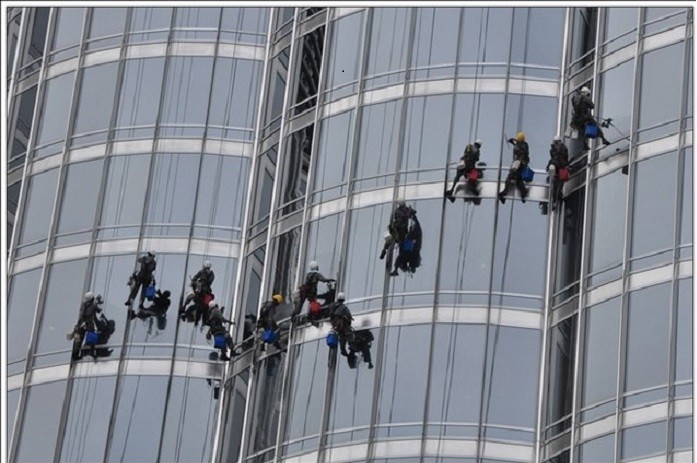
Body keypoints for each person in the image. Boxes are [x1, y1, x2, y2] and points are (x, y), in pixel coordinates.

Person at [69, 292, 103, 360]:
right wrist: (98, 303)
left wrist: (78, 325)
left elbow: (81, 315)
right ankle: (92, 353)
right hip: (89, 324)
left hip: (81, 324)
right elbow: (99, 311)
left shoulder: (84, 305)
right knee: (92, 338)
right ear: (92, 299)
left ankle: (75, 356)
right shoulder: (93, 305)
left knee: (78, 341)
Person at [498, 132, 530, 204]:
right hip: (521, 164)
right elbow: (518, 145)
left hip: (518, 163)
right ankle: (523, 193)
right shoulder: (524, 145)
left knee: (510, 177)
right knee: (518, 180)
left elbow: (518, 147)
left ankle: (504, 193)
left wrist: (513, 141)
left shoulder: (520, 146)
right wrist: (513, 141)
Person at [547, 136, 570, 205]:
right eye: (556, 142)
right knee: (556, 185)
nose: (558, 143)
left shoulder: (563, 148)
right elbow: (552, 159)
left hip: (561, 168)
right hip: (556, 168)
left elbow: (565, 158)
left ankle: (557, 199)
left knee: (559, 185)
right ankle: (556, 199)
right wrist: (548, 166)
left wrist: (566, 165)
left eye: (559, 141)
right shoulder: (552, 150)